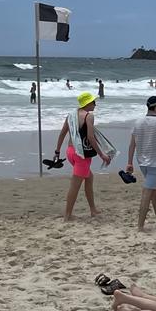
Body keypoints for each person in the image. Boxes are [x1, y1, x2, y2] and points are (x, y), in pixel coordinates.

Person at [53, 92, 112, 221]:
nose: (95, 105)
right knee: (75, 185)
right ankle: (67, 215)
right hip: (81, 155)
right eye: (93, 102)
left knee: (89, 178)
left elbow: (62, 133)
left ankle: (93, 210)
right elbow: (90, 137)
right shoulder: (89, 116)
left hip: (70, 152)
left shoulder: (71, 115)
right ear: (87, 103)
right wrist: (102, 154)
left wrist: (57, 151)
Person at [125, 96, 156, 231]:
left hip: (142, 162)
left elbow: (132, 144)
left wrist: (129, 162)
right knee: (147, 192)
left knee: (154, 191)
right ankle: (140, 226)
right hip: (155, 162)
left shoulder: (138, 122)